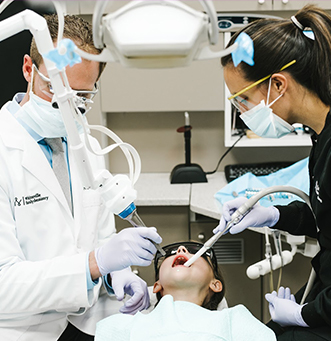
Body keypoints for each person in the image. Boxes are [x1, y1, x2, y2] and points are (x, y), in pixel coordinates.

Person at [0, 13, 162, 341]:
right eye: (55, 90)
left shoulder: (84, 141)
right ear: (29, 69)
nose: (67, 108)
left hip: (88, 320)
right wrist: (93, 264)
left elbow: (98, 236)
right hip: (26, 330)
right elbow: (4, 286)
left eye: (82, 97)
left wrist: (117, 272)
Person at [216, 4, 331, 341]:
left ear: (278, 85)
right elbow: (330, 219)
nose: (242, 112)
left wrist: (305, 314)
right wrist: (271, 215)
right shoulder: (324, 135)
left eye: (242, 100)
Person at [95, 241, 276, 340]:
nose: (181, 250)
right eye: (170, 254)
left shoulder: (233, 318)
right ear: (157, 285)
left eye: (197, 253)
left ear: (215, 284)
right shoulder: (123, 325)